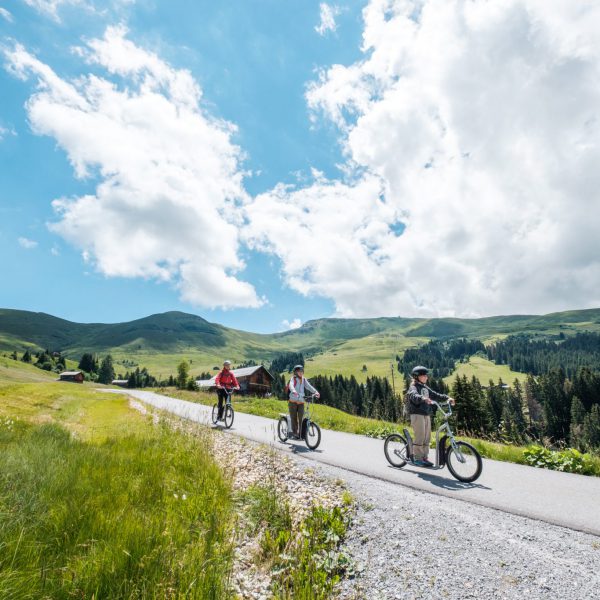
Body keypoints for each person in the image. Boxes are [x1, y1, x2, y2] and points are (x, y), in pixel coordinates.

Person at [406, 365, 454, 467]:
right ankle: (418, 458)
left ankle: (424, 457)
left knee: (427, 437)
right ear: (417, 376)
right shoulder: (413, 387)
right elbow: (413, 396)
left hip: (426, 414)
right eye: (424, 375)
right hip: (417, 414)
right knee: (420, 436)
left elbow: (435, 395)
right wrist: (422, 398)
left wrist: (447, 398)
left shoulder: (425, 387)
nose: (426, 377)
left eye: (426, 375)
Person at [287, 365, 320, 439]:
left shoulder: (304, 379)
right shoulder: (293, 378)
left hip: (301, 401)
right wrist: (294, 391)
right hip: (293, 401)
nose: (301, 372)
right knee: (294, 418)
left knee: (301, 418)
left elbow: (309, 387)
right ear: (296, 372)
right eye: (299, 371)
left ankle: (301, 434)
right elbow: (291, 385)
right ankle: (295, 433)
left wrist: (316, 392)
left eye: (302, 371)